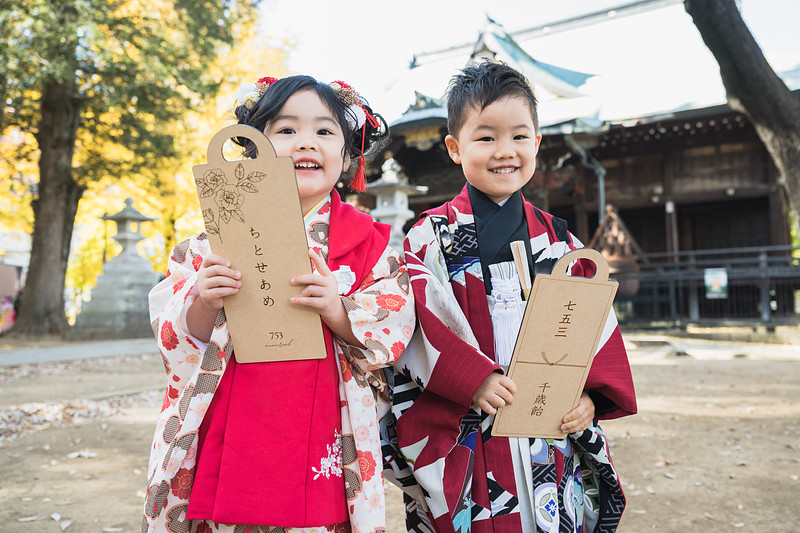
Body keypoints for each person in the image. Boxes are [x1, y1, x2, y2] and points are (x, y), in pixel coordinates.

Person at [143, 75, 416, 533]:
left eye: (324, 132)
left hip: (323, 422)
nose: (305, 142)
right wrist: (203, 300)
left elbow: (392, 322)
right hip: (231, 414)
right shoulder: (212, 241)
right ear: (255, 150)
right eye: (286, 130)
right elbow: (176, 337)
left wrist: (338, 310)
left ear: (348, 156)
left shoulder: (368, 245)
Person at [383, 61, 637, 533]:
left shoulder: (561, 243)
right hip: (468, 426)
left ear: (537, 144)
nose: (505, 151)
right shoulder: (428, 238)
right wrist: (469, 378)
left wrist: (588, 395)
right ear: (455, 149)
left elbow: (592, 332)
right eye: (486, 138)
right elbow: (413, 324)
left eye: (520, 137)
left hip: (548, 426)